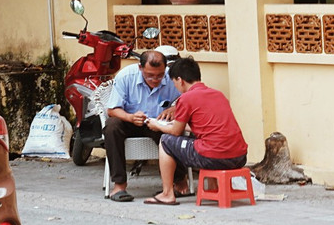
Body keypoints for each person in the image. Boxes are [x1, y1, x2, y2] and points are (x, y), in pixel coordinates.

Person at [143, 56, 248, 206]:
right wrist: (175, 123)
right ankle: (213, 189)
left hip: (214, 157)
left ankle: (167, 193)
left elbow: (175, 132)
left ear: (180, 80)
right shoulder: (218, 94)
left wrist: (156, 125)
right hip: (239, 156)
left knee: (166, 141)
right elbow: (206, 127)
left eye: (174, 83)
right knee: (205, 141)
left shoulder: (186, 98)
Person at [103, 49, 179, 202]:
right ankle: (119, 185)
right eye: (149, 75)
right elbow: (112, 110)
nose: (155, 79)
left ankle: (178, 182)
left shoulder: (172, 77)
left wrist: (174, 108)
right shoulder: (126, 76)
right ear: (140, 68)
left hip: (157, 121)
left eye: (159, 75)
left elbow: (187, 100)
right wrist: (130, 117)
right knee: (111, 126)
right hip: (130, 121)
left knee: (174, 131)